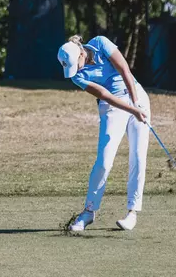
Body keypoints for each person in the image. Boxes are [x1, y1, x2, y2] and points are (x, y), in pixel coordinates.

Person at [57, 35, 151, 231]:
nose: (78, 70)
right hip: (111, 106)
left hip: (136, 94)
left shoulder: (100, 43)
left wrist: (136, 103)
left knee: (138, 156)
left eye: (77, 64)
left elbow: (124, 69)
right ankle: (88, 212)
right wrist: (132, 110)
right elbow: (105, 95)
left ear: (82, 53)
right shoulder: (77, 76)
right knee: (104, 160)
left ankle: (132, 212)